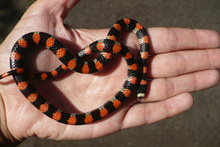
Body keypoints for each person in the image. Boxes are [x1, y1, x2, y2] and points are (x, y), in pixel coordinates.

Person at [0, 0, 219, 146]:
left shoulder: (127, 57)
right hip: (100, 54)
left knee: (124, 58)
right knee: (117, 60)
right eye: (138, 88)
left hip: (107, 51)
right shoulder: (123, 60)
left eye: (138, 88)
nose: (134, 90)